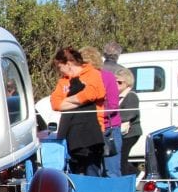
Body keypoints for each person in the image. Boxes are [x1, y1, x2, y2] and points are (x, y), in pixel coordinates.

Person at [50, 47, 106, 177]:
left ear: (68, 64)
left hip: (92, 131)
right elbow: (55, 103)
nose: (59, 71)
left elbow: (92, 94)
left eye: (60, 67)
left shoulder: (92, 74)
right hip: (70, 132)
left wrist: (68, 100)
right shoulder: (63, 81)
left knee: (92, 171)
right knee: (74, 171)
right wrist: (79, 101)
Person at [81, 46, 122, 179]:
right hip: (88, 130)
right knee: (91, 169)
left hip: (109, 129)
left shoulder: (107, 77)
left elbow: (113, 105)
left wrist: (93, 113)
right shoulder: (79, 79)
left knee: (111, 170)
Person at [115, 66, 142, 176]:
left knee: (122, 158)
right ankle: (135, 173)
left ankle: (132, 175)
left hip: (130, 134)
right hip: (121, 133)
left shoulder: (131, 96)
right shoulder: (118, 96)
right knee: (121, 159)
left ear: (128, 83)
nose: (116, 84)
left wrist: (112, 118)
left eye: (119, 82)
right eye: (114, 82)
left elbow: (129, 114)